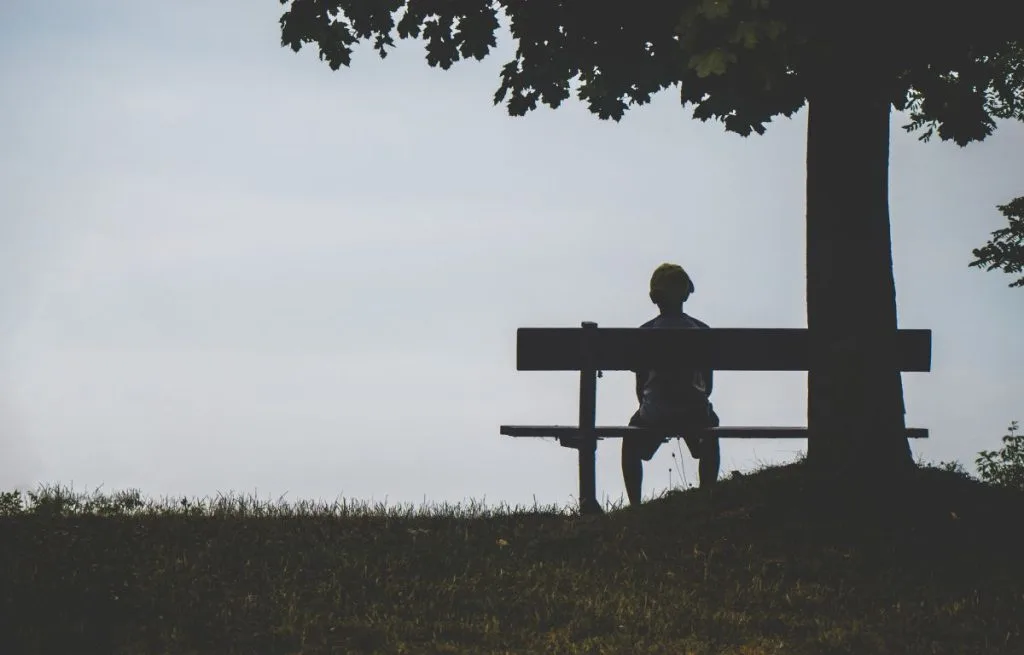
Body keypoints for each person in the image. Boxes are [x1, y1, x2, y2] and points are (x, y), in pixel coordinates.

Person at [622, 263, 721, 506]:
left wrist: (652, 408)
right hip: (695, 412)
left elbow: (640, 385)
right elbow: (707, 386)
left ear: (654, 298)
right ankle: (707, 494)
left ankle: (635, 505)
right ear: (686, 293)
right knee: (711, 425)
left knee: (631, 438)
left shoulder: (644, 334)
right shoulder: (702, 331)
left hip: (655, 412)